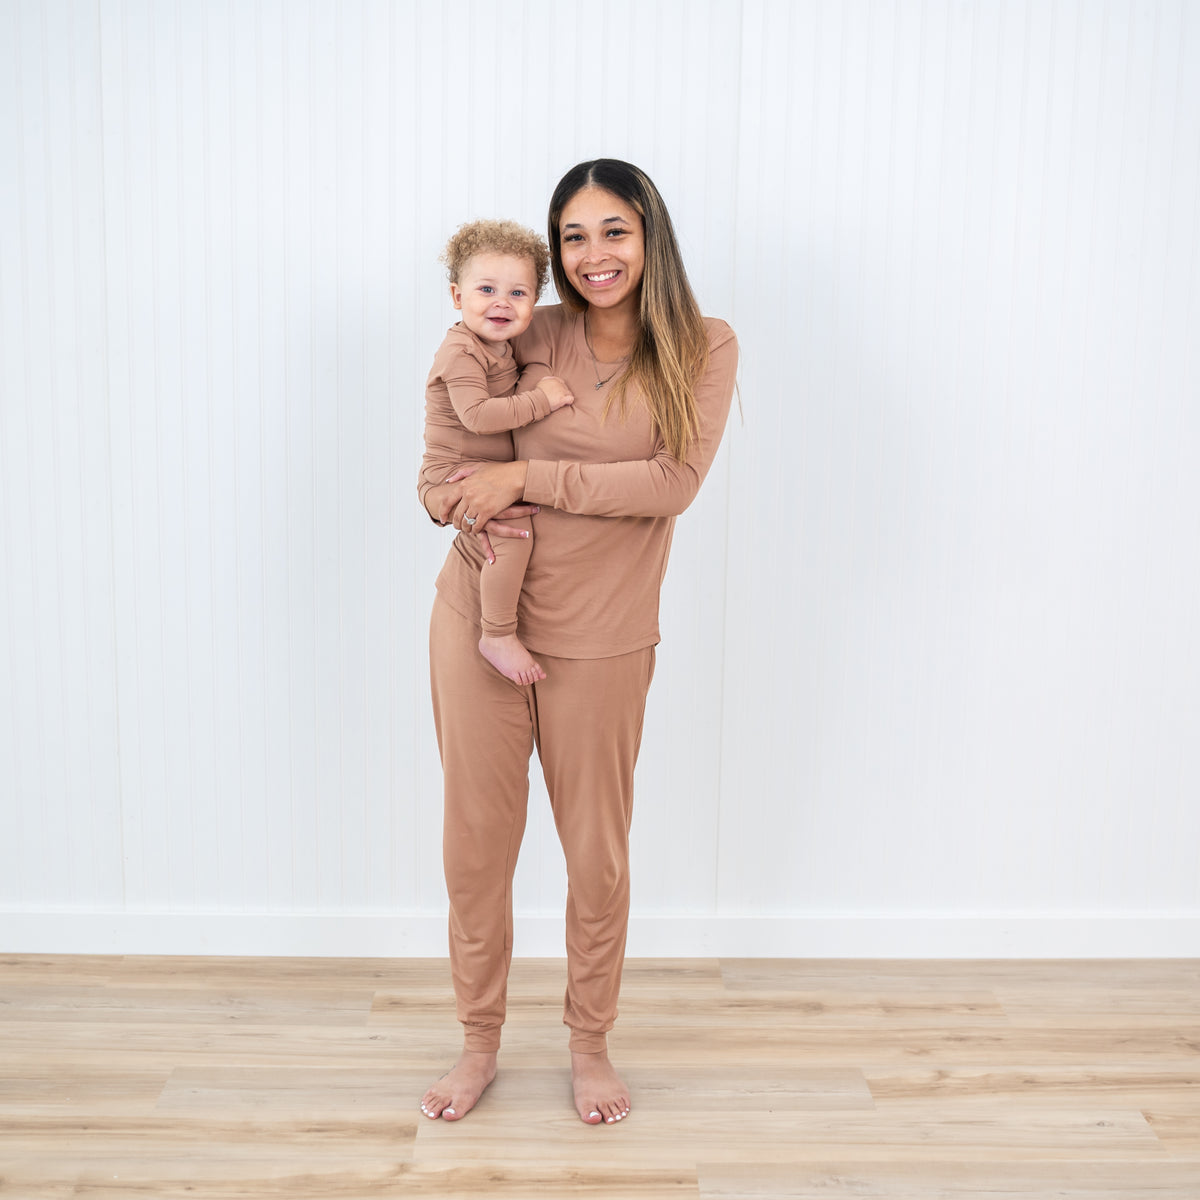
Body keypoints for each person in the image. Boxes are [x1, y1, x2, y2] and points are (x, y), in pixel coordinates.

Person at [417, 159, 738, 1126]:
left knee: (594, 852)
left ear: (651, 238)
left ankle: (588, 1043)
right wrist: (448, 494)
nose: (593, 255)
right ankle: (478, 1041)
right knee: (477, 847)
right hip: (479, 613)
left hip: (601, 635)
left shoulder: (703, 345)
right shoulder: (527, 324)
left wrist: (530, 481)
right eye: (573, 237)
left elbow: (671, 482)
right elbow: (455, 438)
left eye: (614, 232)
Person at [424, 220, 575, 685]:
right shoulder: (461, 351)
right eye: (486, 288)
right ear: (456, 296)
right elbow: (478, 417)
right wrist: (542, 401)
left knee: (511, 528)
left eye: (518, 293)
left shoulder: (503, 346)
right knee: (512, 534)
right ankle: (497, 632)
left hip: (481, 469)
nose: (501, 303)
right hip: (451, 472)